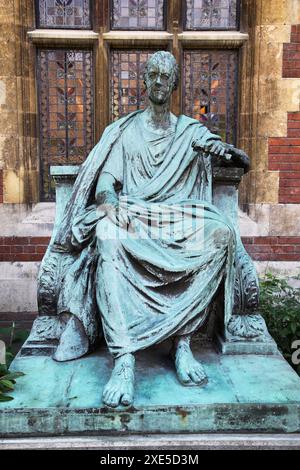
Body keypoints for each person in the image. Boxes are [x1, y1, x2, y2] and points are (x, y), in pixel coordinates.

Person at [37, 51, 249, 408]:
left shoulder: (190, 132)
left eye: (166, 76)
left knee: (220, 234)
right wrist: (111, 205)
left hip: (179, 216)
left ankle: (182, 344)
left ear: (175, 83)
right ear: (145, 82)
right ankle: (124, 358)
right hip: (135, 214)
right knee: (106, 234)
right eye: (152, 75)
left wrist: (227, 153)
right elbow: (106, 182)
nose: (159, 81)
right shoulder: (126, 130)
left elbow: (216, 148)